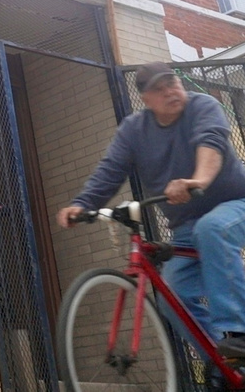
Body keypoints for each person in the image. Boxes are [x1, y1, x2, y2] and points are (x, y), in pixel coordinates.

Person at [56, 62, 245, 358]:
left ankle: (238, 334)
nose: (170, 91)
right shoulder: (134, 130)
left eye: (172, 83)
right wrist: (83, 204)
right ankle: (224, 366)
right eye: (159, 89)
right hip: (185, 225)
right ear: (145, 99)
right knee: (172, 296)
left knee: (212, 228)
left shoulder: (203, 106)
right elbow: (111, 170)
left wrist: (199, 180)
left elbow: (211, 143)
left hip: (235, 203)